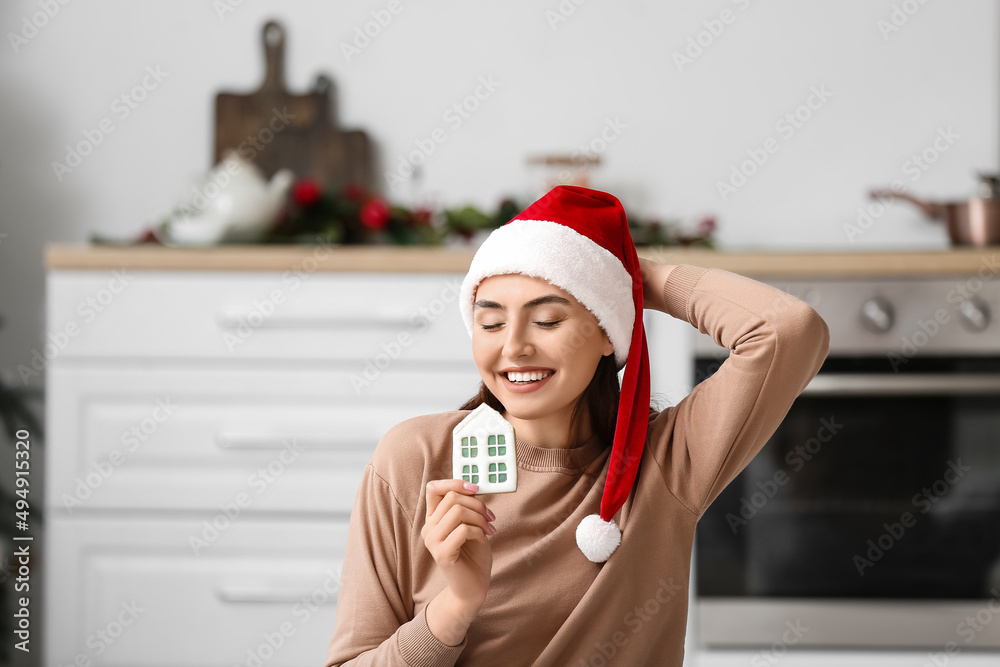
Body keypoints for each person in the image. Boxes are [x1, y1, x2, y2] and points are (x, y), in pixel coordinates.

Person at [323, 186, 829, 666]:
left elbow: (788, 330)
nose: (514, 347)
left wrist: (634, 277)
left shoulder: (667, 462)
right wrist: (454, 607)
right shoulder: (414, 458)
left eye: (547, 320)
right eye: (491, 322)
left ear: (607, 333)